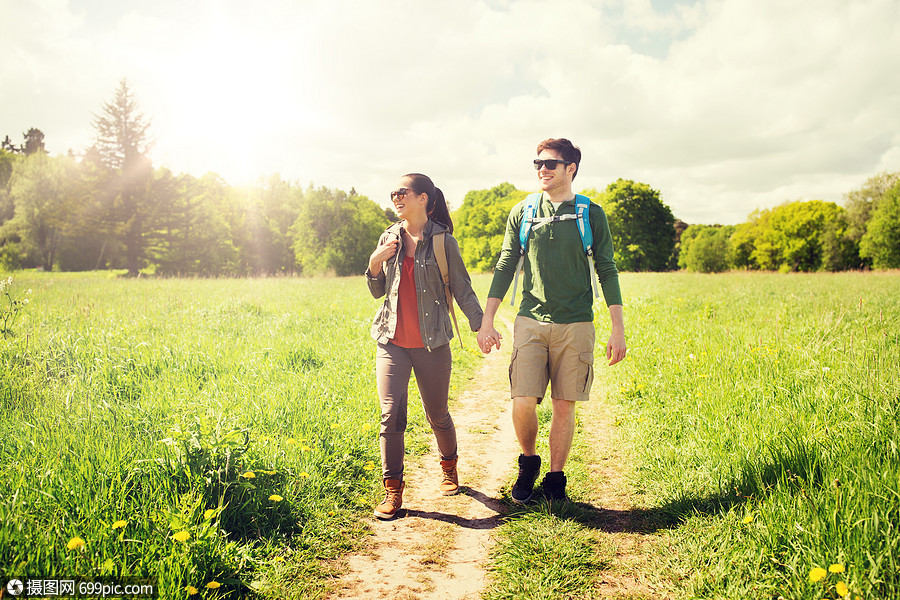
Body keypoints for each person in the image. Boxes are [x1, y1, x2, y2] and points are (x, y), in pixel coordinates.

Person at [477, 138, 627, 503]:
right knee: (523, 400)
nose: (542, 169)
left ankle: (555, 480)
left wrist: (617, 328)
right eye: (537, 163)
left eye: (550, 164)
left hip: (576, 324)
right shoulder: (523, 212)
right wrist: (487, 319)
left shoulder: (591, 214)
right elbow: (506, 264)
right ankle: (528, 462)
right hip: (530, 321)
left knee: (564, 404)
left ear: (570, 168)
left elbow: (606, 269)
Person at [366, 173, 487, 520]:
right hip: (391, 342)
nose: (396, 197)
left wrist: (480, 325)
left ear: (423, 198)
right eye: (393, 193)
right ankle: (392, 492)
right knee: (391, 417)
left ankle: (449, 469)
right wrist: (376, 261)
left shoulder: (442, 241)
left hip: (433, 344)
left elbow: (462, 289)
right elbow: (378, 290)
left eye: (402, 192)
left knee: (437, 415)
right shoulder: (388, 237)